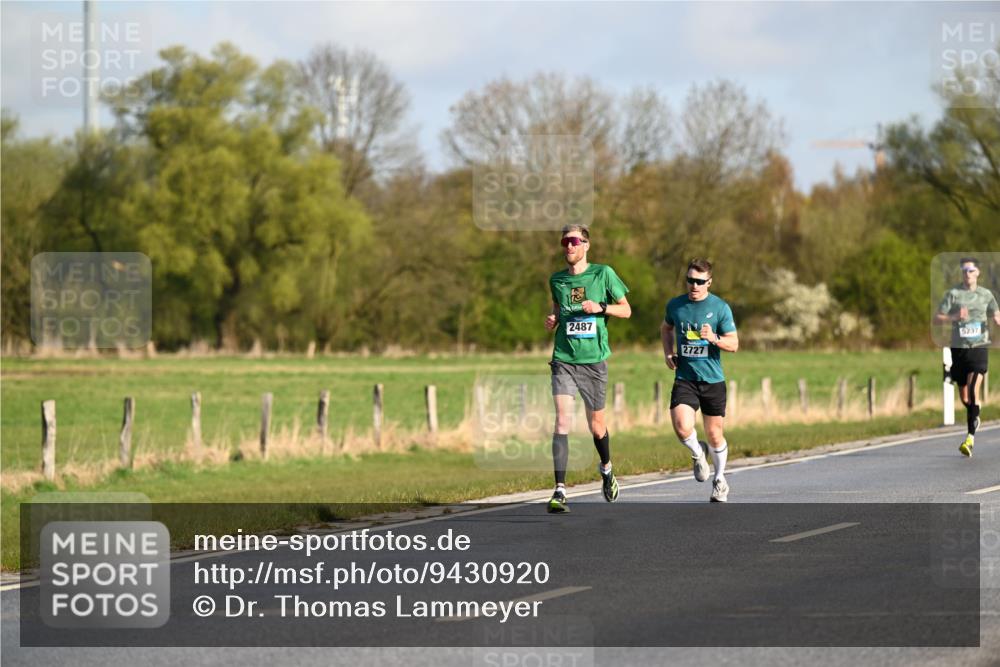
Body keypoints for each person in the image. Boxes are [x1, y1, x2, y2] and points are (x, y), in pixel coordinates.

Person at [544, 224, 631, 513]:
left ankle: (606, 469)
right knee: (562, 422)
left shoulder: (603, 273)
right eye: (564, 241)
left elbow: (626, 310)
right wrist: (553, 319)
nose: (568, 246)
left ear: (586, 245)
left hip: (593, 362)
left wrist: (602, 308)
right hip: (564, 359)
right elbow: (561, 309)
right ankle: (559, 491)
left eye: (574, 241)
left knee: (596, 427)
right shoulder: (556, 280)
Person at [661, 259, 739, 502]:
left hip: (713, 380)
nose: (694, 285)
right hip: (685, 377)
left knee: (715, 434)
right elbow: (666, 328)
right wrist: (668, 352)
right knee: (682, 426)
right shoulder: (676, 305)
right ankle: (697, 453)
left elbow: (734, 345)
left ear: (709, 283)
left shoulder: (720, 308)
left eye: (699, 281)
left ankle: (719, 479)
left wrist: (714, 338)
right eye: (690, 280)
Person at [934, 257, 999, 457]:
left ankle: (970, 437)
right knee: (965, 397)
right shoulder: (953, 294)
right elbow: (937, 318)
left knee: (972, 389)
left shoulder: (986, 295)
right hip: (959, 350)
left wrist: (997, 319)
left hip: (979, 347)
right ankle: (975, 413)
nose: (967, 273)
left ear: (978, 272)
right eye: (964, 270)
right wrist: (954, 318)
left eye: (971, 270)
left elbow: (996, 313)